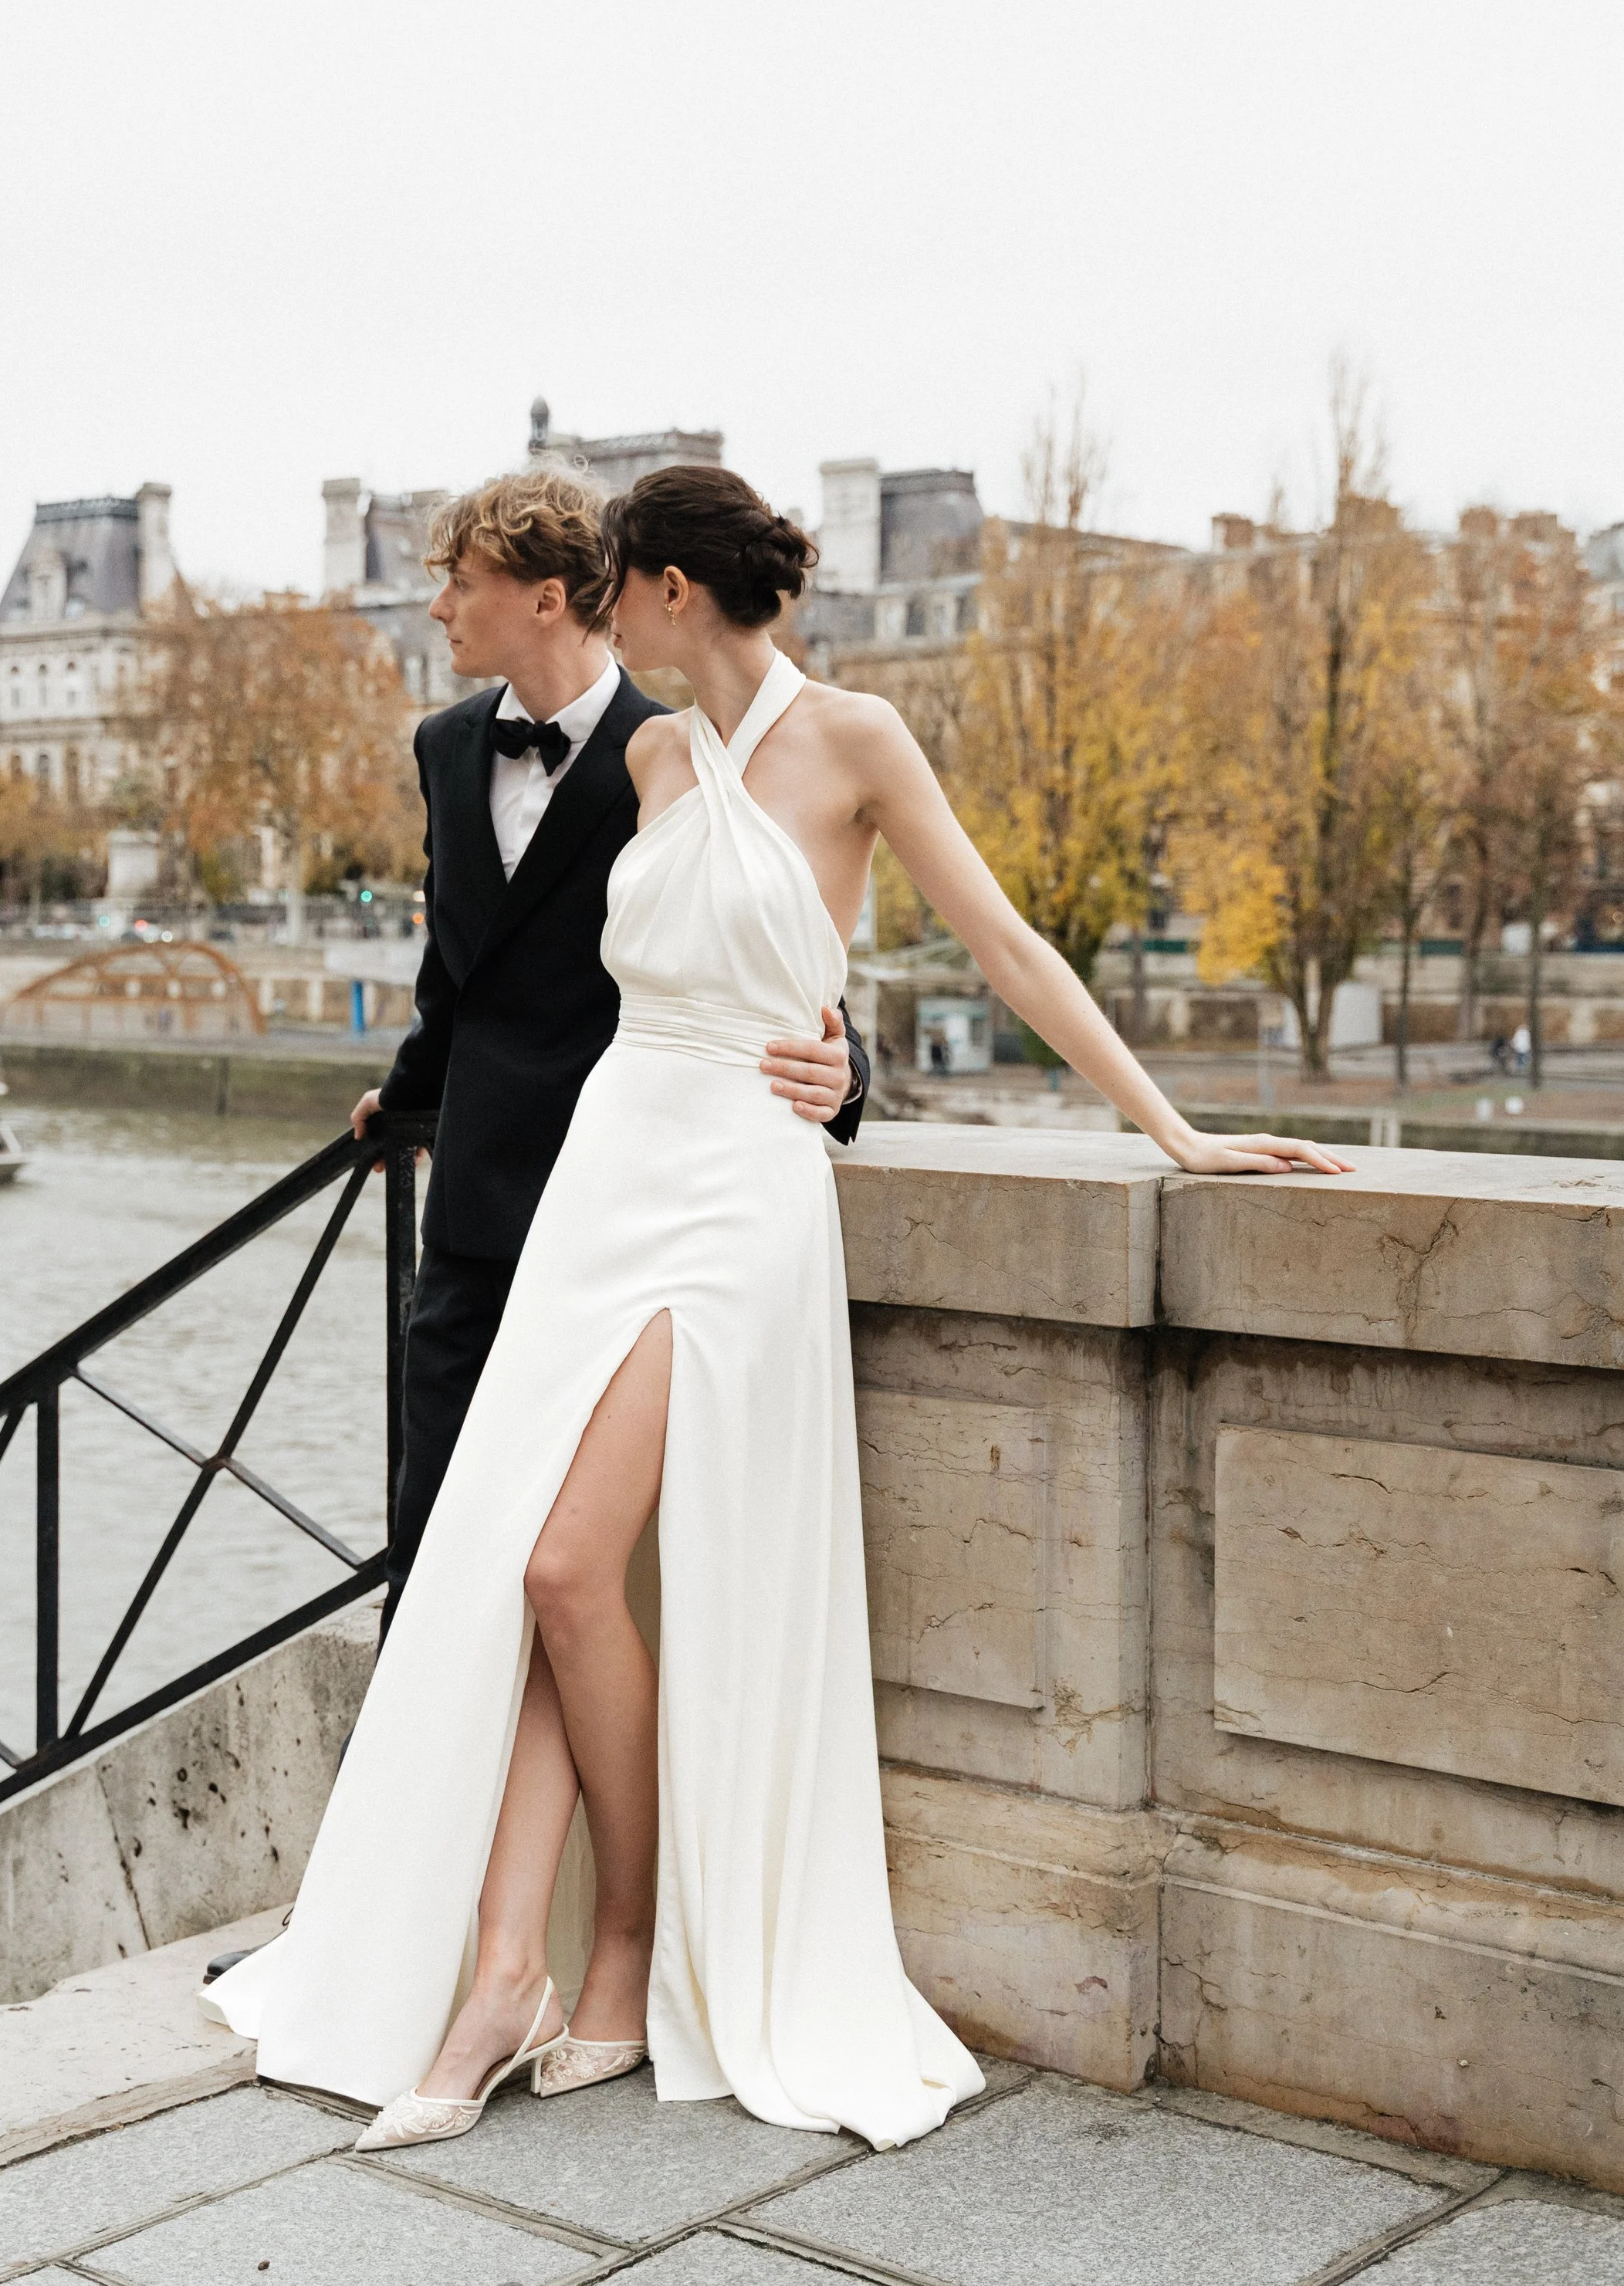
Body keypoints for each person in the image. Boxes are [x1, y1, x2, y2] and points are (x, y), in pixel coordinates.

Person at [202, 465, 1349, 2155]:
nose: (603, 608)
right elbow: (541, 974)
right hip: (606, 1169)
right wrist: (412, 1091)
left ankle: (614, 1954)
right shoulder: (657, 756)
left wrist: (1161, 1126)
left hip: (737, 1191)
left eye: (617, 583)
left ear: (668, 588)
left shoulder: (859, 738)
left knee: (565, 1559)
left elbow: (1004, 945)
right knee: (536, 1561)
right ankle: (515, 1969)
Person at [354, 468, 867, 1638]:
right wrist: (403, 1098)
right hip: (475, 1205)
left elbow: (777, 951)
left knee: (577, 1565)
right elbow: (456, 967)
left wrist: (848, 1079)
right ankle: (420, 1795)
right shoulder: (443, 746)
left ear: (546, 599)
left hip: (620, 1214)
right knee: (429, 1536)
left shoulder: (677, 749)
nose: (436, 608)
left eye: (458, 581)